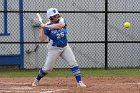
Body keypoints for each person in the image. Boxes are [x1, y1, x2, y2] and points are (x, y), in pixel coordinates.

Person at [32, 8, 86, 87]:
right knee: (47, 69)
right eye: (53, 16)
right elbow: (42, 39)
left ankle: (79, 82)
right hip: (54, 49)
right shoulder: (46, 26)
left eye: (56, 15)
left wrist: (46, 25)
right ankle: (37, 79)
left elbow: (60, 25)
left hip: (65, 47)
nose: (56, 17)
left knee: (73, 62)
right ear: (50, 17)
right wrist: (42, 29)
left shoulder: (61, 20)